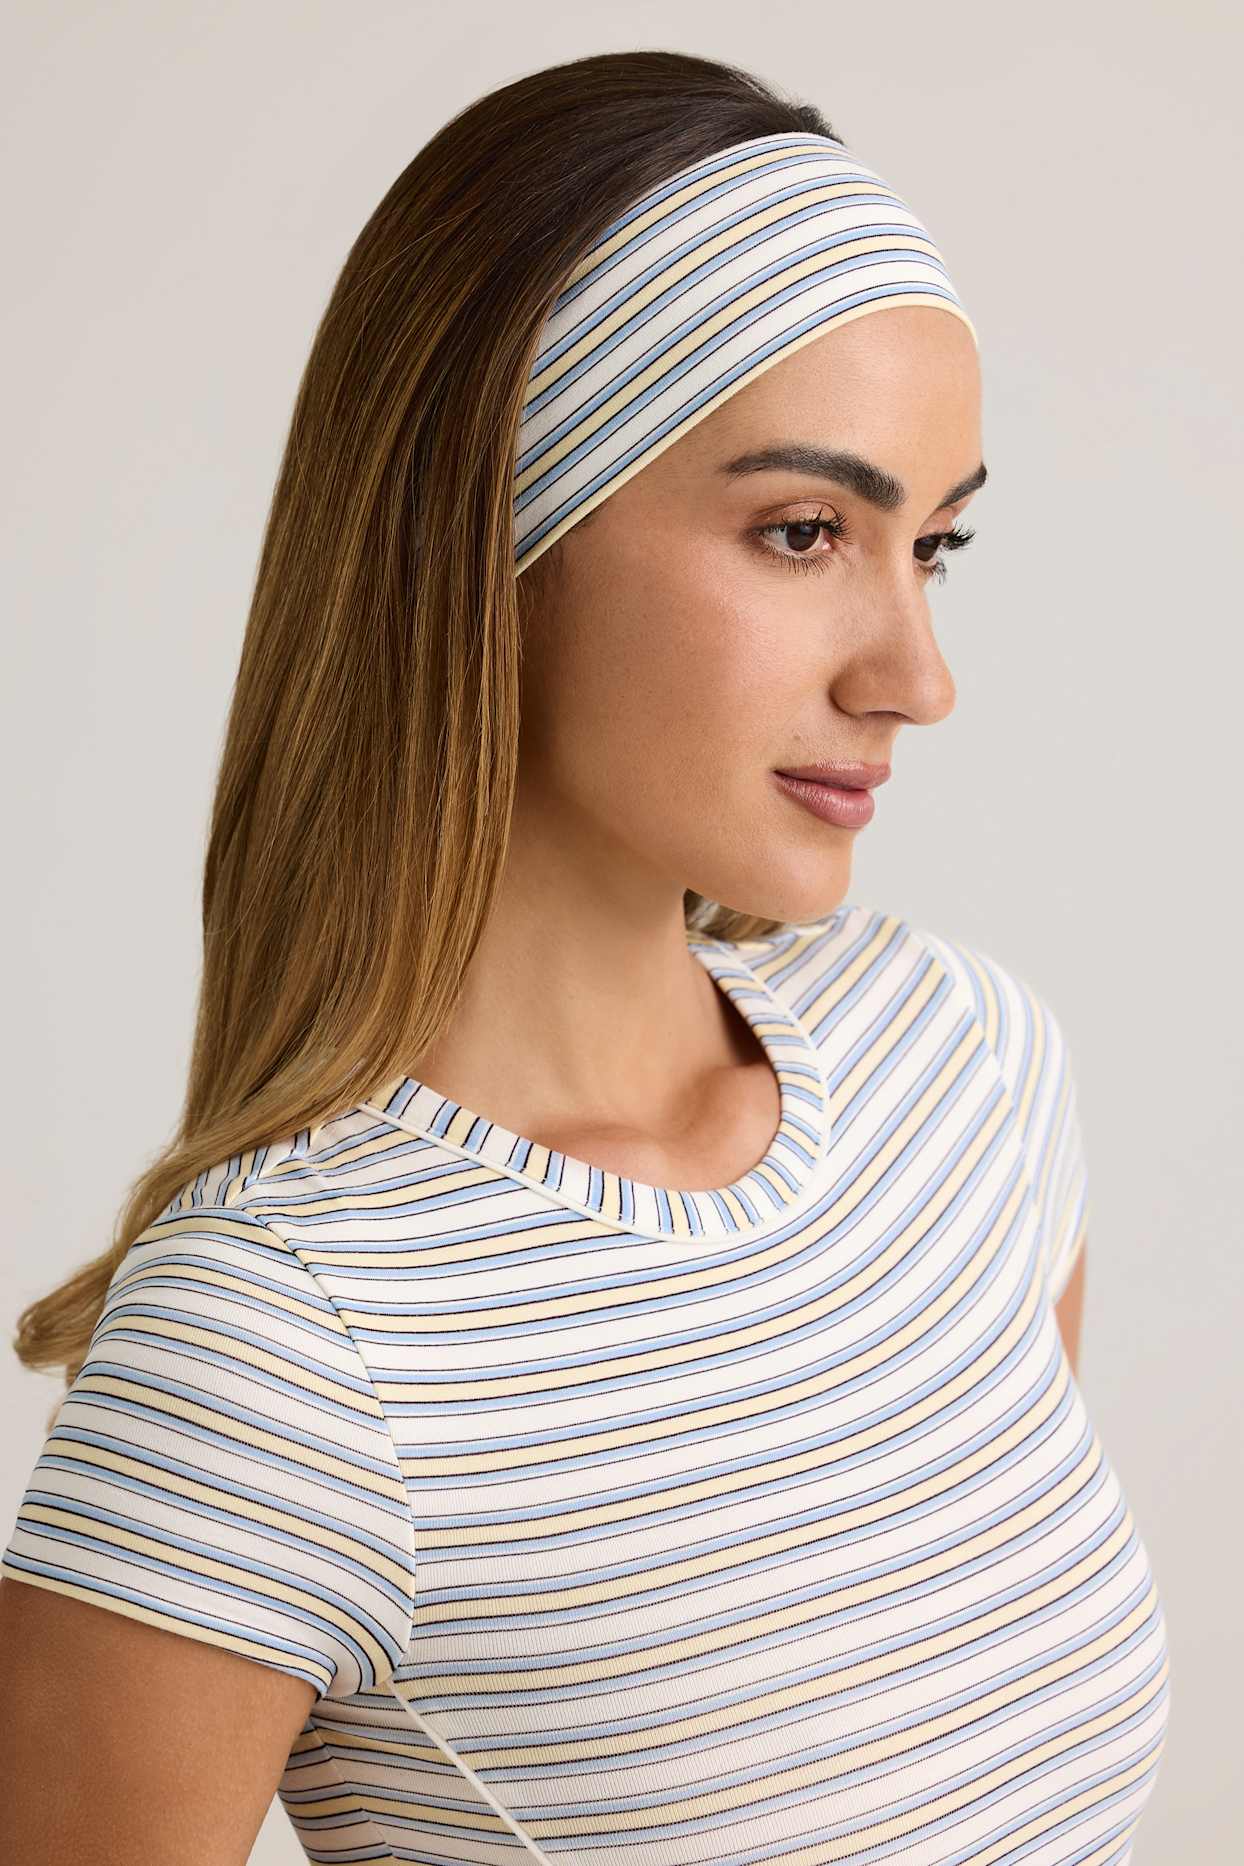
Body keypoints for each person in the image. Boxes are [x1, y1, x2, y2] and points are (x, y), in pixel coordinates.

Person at [0, 47, 1170, 1866]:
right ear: (498, 538)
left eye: (933, 545)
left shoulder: (965, 1067)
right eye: (806, 533)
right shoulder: (284, 1345)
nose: (917, 676)